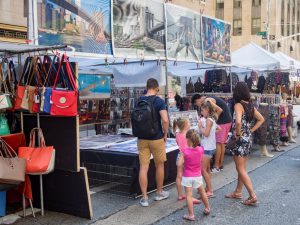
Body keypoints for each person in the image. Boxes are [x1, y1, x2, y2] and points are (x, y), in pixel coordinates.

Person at [225, 82, 264, 205]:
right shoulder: (250, 105)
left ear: (237, 92)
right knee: (241, 168)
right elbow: (261, 119)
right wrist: (250, 130)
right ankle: (238, 191)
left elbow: (237, 122)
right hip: (247, 139)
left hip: (240, 139)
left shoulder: (238, 105)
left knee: (240, 169)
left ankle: (252, 196)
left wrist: (237, 134)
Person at [137, 78, 169, 207]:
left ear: (146, 86)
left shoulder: (139, 100)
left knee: (143, 167)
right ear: (156, 88)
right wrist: (165, 134)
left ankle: (144, 198)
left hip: (142, 138)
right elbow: (165, 120)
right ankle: (159, 192)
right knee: (159, 166)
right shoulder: (159, 101)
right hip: (156, 138)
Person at [192, 93, 232, 172]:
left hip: (223, 122)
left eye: (196, 104)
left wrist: (212, 120)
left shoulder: (208, 100)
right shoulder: (208, 99)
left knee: (219, 143)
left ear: (197, 100)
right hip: (227, 121)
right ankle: (220, 164)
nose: (199, 106)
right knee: (221, 144)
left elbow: (220, 110)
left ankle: (216, 166)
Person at [178, 129, 210, 221]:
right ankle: (207, 208)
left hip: (187, 176)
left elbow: (179, 164)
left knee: (188, 195)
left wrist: (181, 154)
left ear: (188, 140)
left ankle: (191, 215)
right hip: (197, 175)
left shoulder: (184, 151)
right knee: (202, 192)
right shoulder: (201, 149)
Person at [173, 118, 201, 204]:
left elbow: (178, 144)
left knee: (179, 176)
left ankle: (180, 195)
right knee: (189, 176)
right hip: (188, 157)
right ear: (185, 125)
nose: (190, 124)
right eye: (189, 123)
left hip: (180, 155)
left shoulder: (177, 134)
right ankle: (190, 197)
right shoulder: (188, 136)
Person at [199, 102, 220, 198]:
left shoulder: (208, 120)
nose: (201, 112)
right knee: (206, 169)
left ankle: (210, 190)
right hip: (210, 147)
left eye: (202, 110)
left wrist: (200, 128)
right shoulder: (212, 119)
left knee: (203, 169)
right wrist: (211, 132)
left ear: (207, 110)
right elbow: (219, 129)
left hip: (207, 148)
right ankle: (208, 187)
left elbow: (206, 134)